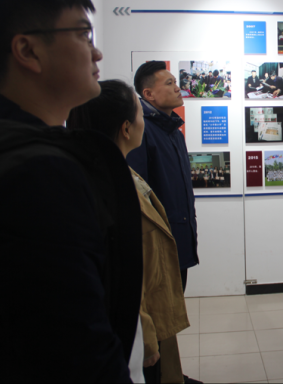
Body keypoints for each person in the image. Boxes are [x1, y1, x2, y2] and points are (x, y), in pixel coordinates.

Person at [0, 0, 144, 382]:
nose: (97, 53)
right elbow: (75, 346)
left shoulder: (1, 143)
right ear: (28, 50)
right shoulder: (37, 174)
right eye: (83, 34)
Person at [68, 80, 191, 384]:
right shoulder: (113, 191)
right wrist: (145, 331)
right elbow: (125, 269)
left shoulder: (117, 175)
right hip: (134, 324)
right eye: (139, 112)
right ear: (126, 128)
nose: (144, 121)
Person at [127, 61, 200, 300]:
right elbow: (138, 195)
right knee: (161, 311)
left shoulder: (174, 132)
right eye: (169, 83)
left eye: (176, 82)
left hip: (178, 238)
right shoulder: (142, 130)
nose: (178, 88)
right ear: (148, 94)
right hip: (157, 243)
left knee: (173, 308)